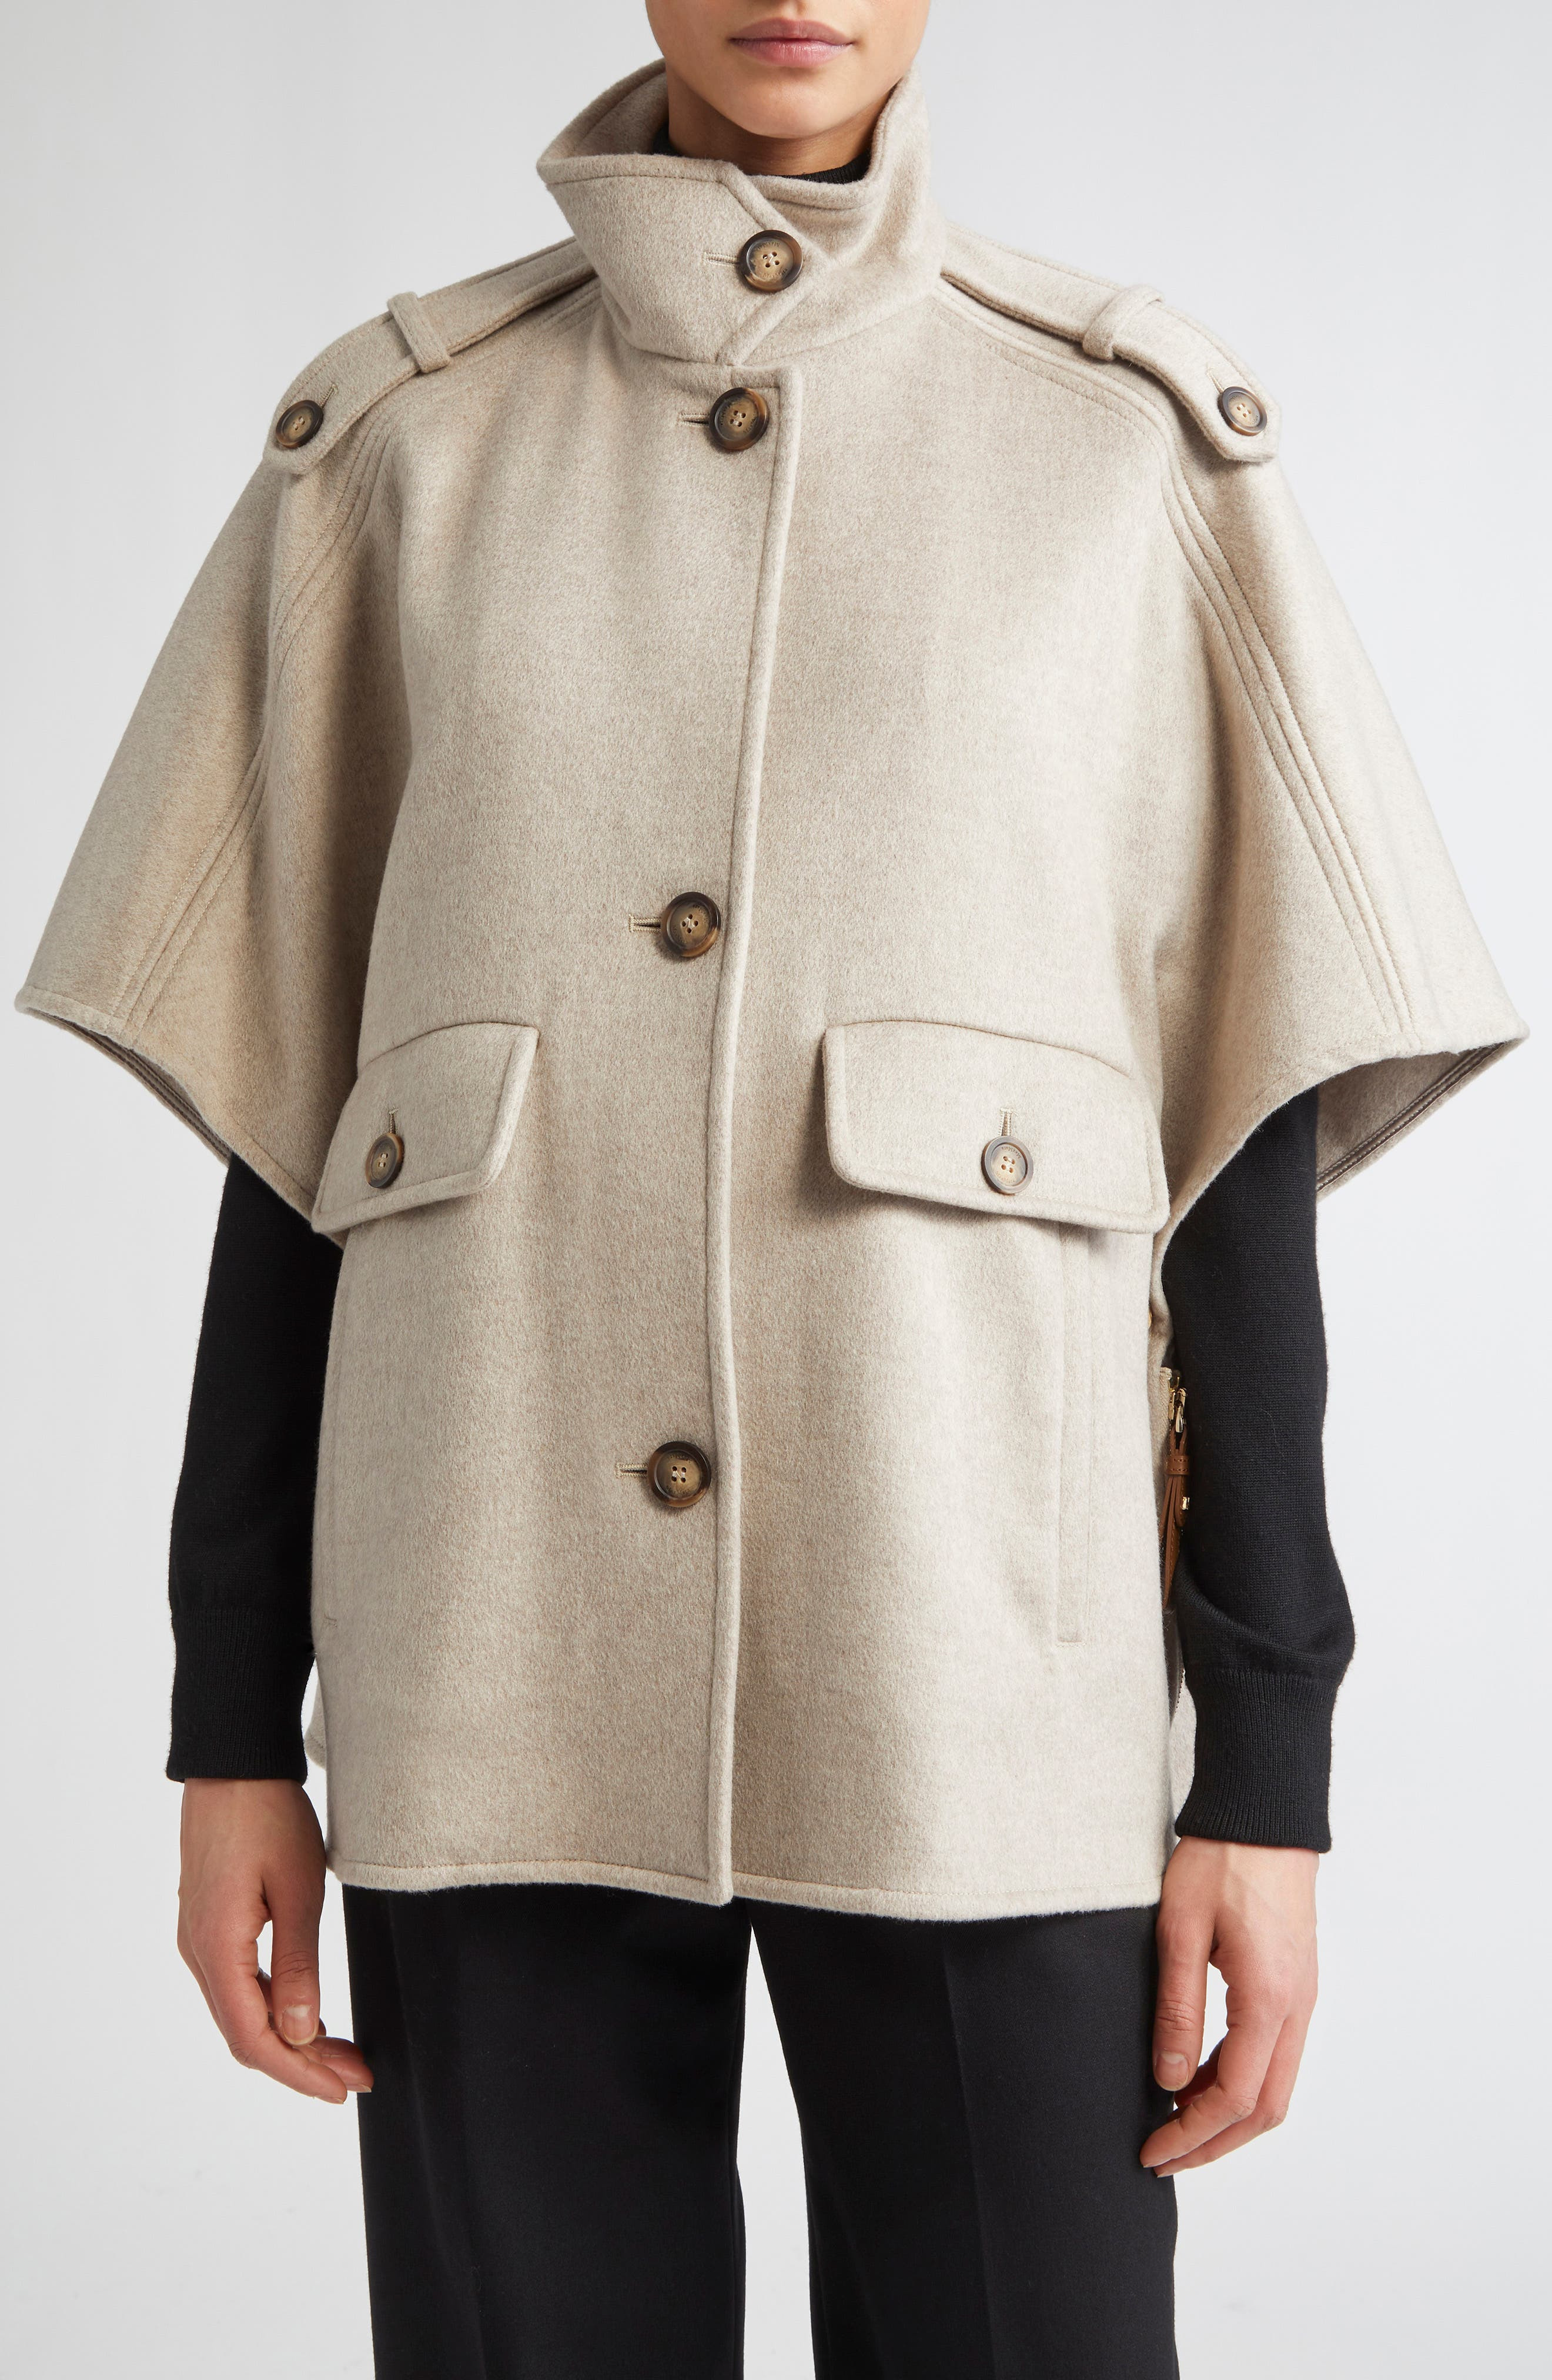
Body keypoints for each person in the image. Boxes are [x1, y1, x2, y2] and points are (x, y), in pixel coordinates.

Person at [18, 4, 1523, 2374]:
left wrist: (1270, 1761)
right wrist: (229, 1723)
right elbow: (300, 1148)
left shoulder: (1127, 445)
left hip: (985, 1678)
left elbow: (1236, 1154)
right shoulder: (398, 448)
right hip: (484, 1645)